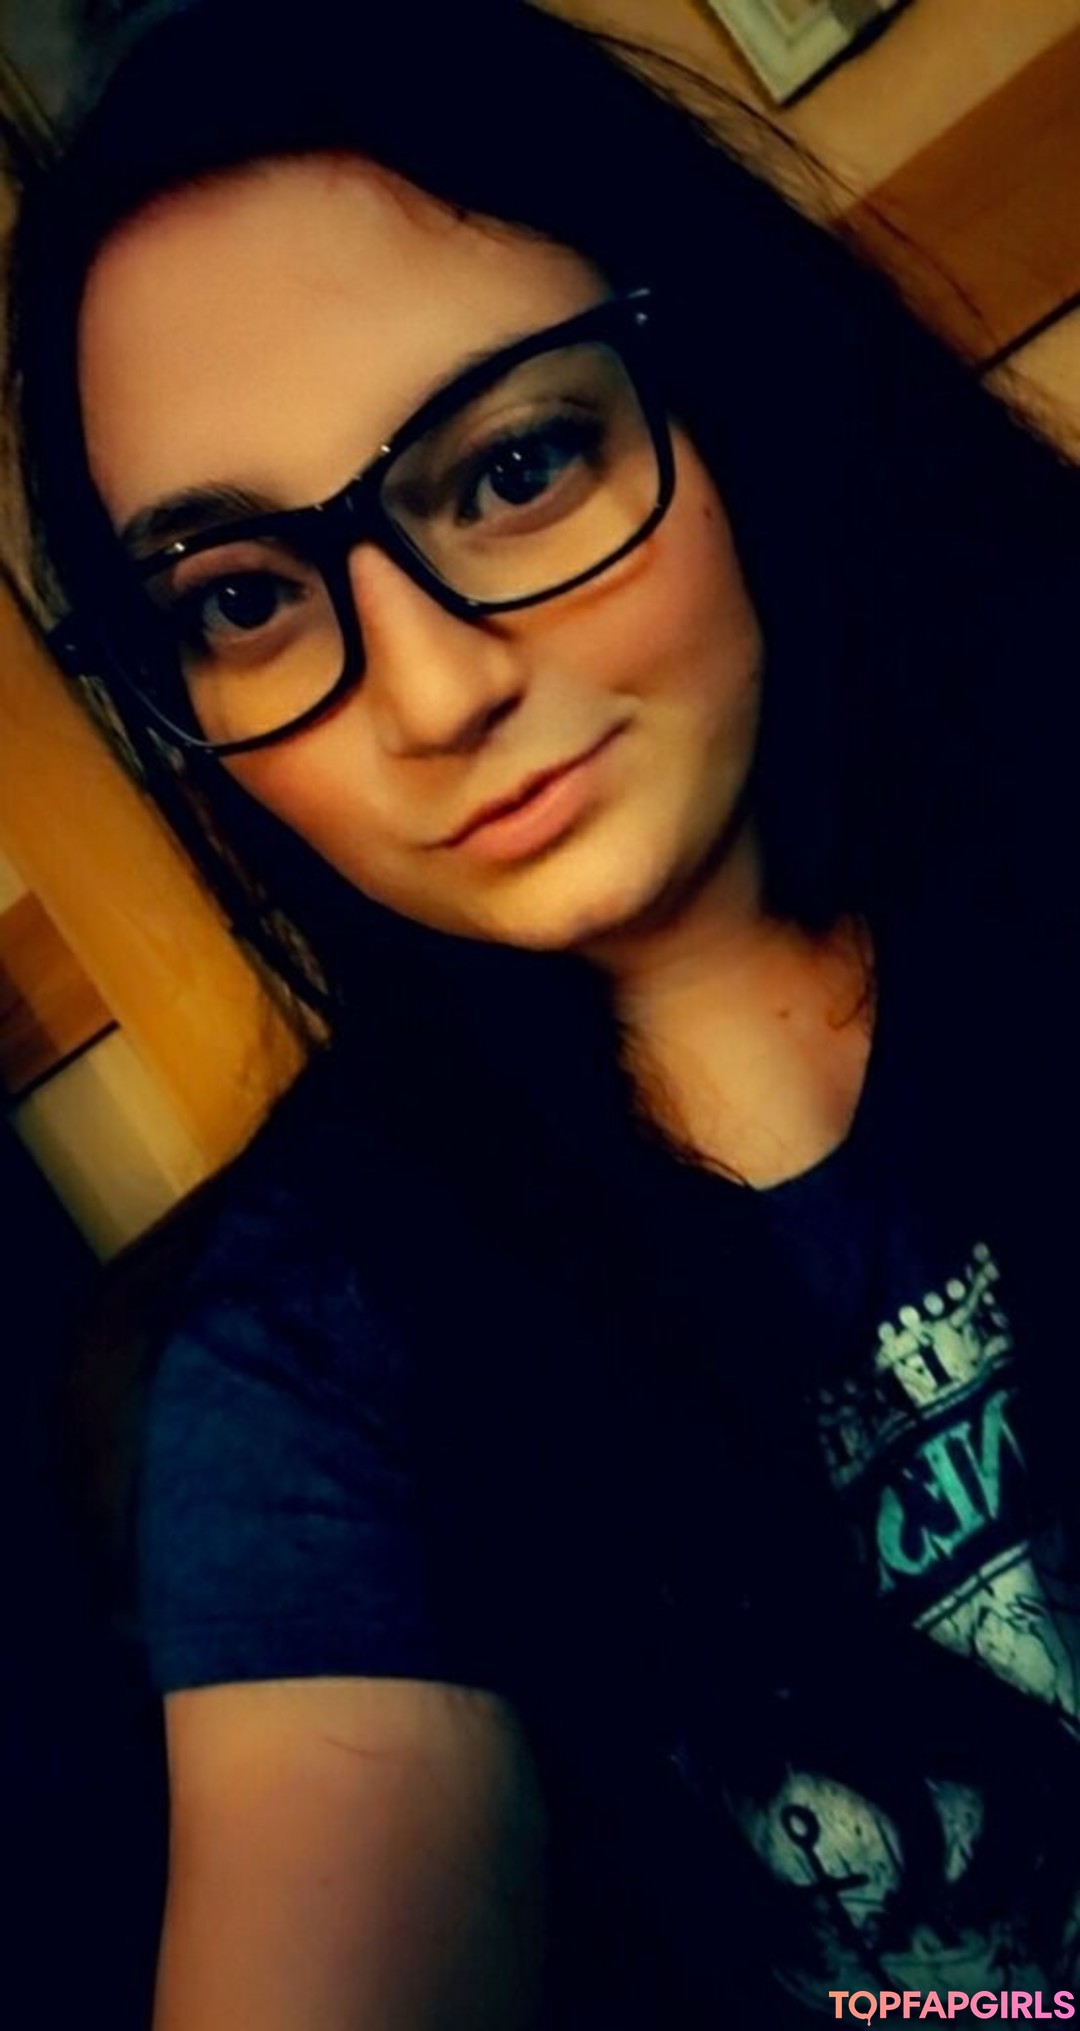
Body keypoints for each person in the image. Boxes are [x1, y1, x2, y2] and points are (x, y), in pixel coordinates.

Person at [10, 0, 1080, 2022]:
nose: (431, 692)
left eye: (513, 467)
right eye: (245, 599)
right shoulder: (317, 1350)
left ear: (721, 380)